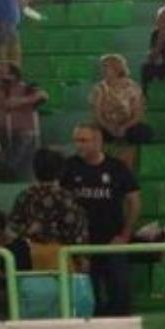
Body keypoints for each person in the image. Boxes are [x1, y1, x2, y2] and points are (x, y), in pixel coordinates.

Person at [60, 123, 140, 317]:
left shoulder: (116, 168)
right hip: (82, 245)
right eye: (76, 141)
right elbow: (60, 202)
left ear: (98, 141)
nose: (78, 145)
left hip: (112, 241)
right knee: (88, 298)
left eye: (83, 140)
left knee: (120, 292)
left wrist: (125, 235)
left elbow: (134, 201)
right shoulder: (69, 167)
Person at [8, 147, 88, 268]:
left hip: (30, 254)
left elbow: (13, 225)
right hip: (61, 255)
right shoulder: (66, 197)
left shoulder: (25, 195)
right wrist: (82, 258)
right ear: (61, 171)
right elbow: (76, 231)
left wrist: (29, 231)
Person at [0, 61, 46, 180]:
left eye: (1, 72)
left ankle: (8, 174)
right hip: (1, 131)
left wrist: (21, 101)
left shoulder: (26, 87)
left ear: (12, 76)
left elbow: (43, 95)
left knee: (16, 159)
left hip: (23, 131)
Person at [91, 54, 153, 144]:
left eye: (106, 67)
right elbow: (97, 114)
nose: (103, 70)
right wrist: (109, 127)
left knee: (143, 132)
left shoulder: (133, 87)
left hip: (128, 126)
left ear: (116, 68)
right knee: (93, 133)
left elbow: (138, 113)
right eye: (103, 67)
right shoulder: (99, 89)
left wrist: (125, 127)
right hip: (106, 126)